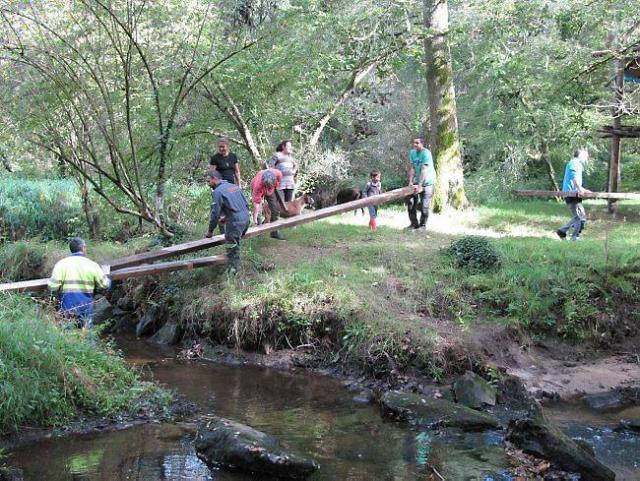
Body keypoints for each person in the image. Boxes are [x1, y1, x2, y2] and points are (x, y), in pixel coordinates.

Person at [47, 237, 111, 329]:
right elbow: (104, 285)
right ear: (83, 248)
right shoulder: (92, 265)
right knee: (86, 332)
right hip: (86, 305)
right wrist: (109, 278)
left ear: (71, 249)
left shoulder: (61, 264)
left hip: (67, 306)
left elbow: (52, 286)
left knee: (68, 333)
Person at [205, 171, 251, 274]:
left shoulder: (217, 192)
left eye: (209, 181)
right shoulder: (233, 186)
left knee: (232, 249)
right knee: (236, 243)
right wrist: (226, 218)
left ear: (214, 178)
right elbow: (244, 204)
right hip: (246, 219)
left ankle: (233, 275)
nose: (208, 184)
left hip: (236, 223)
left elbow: (215, 214)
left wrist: (210, 231)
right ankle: (237, 267)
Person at [556, 149, 591, 241]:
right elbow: (575, 180)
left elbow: (576, 181)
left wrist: (584, 190)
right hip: (571, 194)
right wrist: (580, 189)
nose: (587, 159)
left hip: (574, 193)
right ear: (581, 155)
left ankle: (562, 231)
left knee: (580, 217)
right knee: (580, 218)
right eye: (586, 156)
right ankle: (574, 238)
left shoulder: (576, 164)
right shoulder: (575, 163)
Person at [250, 168, 288, 241]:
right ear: (264, 183)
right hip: (259, 188)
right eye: (266, 186)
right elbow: (256, 205)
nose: (267, 189)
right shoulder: (257, 186)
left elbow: (279, 187)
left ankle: (274, 233)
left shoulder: (278, 174)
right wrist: (254, 218)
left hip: (272, 190)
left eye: (269, 186)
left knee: (275, 209)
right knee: (259, 213)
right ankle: (259, 233)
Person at [407, 138, 436, 230]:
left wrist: (420, 185)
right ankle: (414, 224)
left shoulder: (426, 153)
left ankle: (422, 225)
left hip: (428, 182)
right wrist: (411, 182)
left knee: (424, 205)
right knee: (410, 202)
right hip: (417, 181)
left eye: (417, 143)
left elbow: (424, 169)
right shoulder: (412, 153)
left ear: (422, 143)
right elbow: (412, 168)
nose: (414, 144)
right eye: (414, 142)